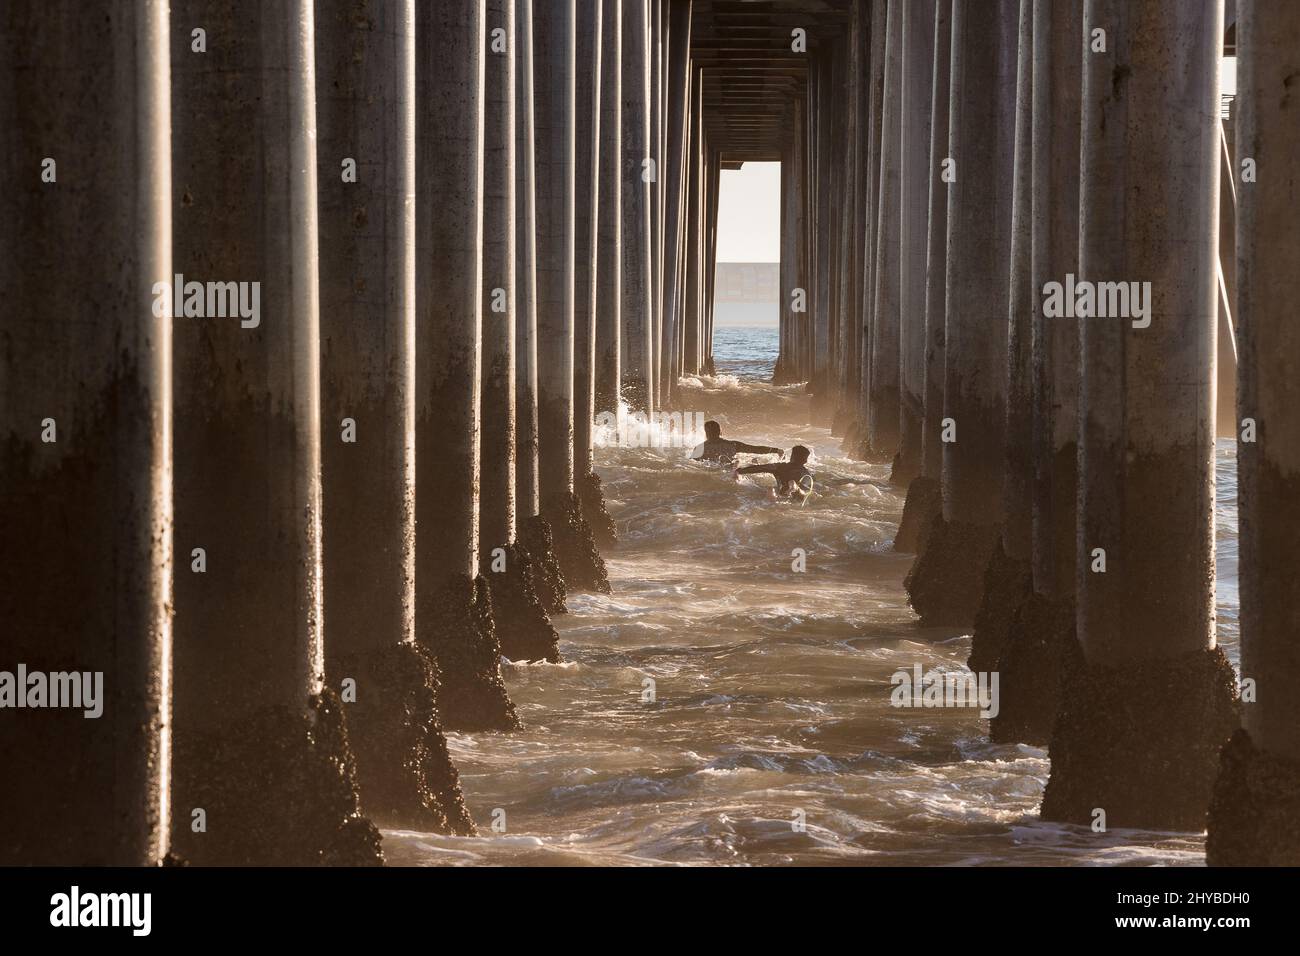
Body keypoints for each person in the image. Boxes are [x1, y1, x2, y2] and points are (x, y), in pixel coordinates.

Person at [735, 444, 813, 501]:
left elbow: (760, 468)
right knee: (802, 493)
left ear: (792, 456)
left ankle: (793, 487)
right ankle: (795, 488)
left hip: (783, 495)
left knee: (775, 493)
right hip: (802, 497)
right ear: (805, 461)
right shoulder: (807, 473)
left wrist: (740, 471)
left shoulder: (781, 467)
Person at [691, 420, 782, 463]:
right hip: (729, 472)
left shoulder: (699, 448)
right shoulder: (732, 445)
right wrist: (776, 450)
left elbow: (691, 467)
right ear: (720, 431)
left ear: (706, 433)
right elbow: (754, 449)